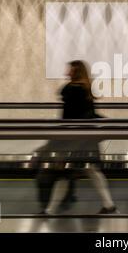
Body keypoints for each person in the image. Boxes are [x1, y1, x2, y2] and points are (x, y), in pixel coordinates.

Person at [35, 60, 117, 214]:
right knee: (91, 171)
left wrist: (58, 138)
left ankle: (51, 210)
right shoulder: (86, 89)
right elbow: (89, 115)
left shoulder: (71, 89)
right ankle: (108, 205)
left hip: (72, 139)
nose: (67, 71)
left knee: (65, 174)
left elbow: (67, 118)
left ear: (75, 71)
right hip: (85, 138)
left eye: (70, 69)